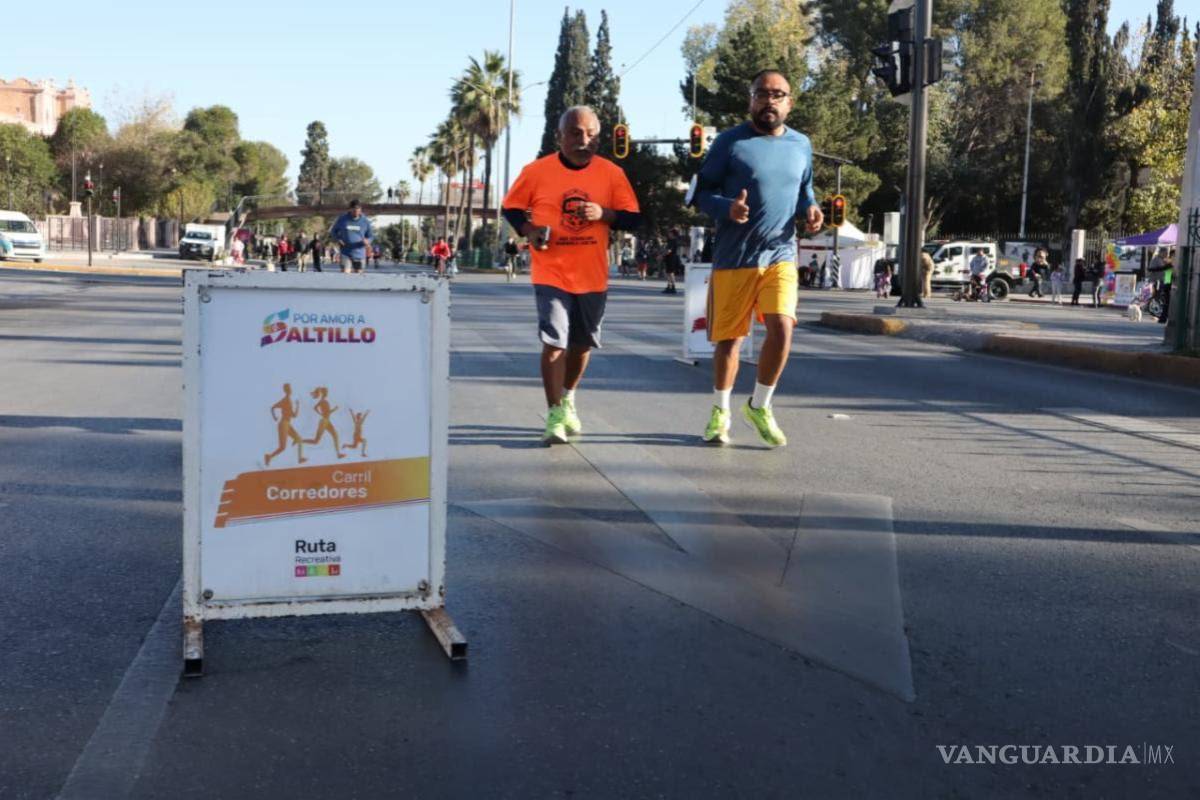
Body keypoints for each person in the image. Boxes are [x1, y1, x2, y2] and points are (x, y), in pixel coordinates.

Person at [692, 69, 823, 447]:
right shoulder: (730, 143)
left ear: (789, 102)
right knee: (729, 342)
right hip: (735, 257)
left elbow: (804, 189)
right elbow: (700, 195)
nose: (770, 101)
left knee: (783, 326)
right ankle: (721, 411)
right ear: (751, 99)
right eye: (762, 93)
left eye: (778, 94)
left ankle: (760, 405)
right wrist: (726, 208)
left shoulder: (802, 144)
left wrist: (811, 207)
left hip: (780, 252)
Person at [501, 105, 642, 445]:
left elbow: (632, 218)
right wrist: (529, 230)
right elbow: (512, 207)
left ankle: (567, 397)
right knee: (554, 342)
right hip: (551, 270)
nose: (585, 140)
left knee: (581, 345)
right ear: (560, 137)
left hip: (592, 274)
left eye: (592, 134)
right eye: (576, 133)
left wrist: (603, 213)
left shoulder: (611, 173)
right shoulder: (537, 171)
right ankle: (553, 415)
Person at [330, 199, 373, 273]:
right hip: (345, 252)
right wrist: (338, 239)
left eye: (358, 210)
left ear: (360, 210)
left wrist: (367, 241)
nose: (356, 212)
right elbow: (333, 231)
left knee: (358, 276)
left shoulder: (365, 221)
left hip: (359, 253)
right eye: (354, 210)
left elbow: (371, 236)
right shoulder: (342, 219)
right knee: (345, 276)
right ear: (350, 209)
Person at [1149, 251, 1174, 324]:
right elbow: (1167, 276)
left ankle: (1163, 318)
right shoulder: (1169, 264)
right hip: (1168, 285)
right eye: (1173, 256)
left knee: (1167, 303)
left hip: (1168, 285)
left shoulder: (1169, 263)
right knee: (1166, 303)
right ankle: (1163, 318)